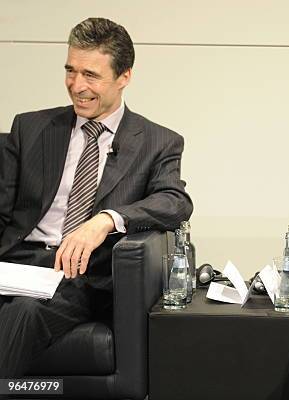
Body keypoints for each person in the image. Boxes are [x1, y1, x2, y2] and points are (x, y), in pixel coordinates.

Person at [0, 17, 193, 378]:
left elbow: (175, 201)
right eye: (71, 71)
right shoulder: (30, 128)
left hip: (78, 276)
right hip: (15, 264)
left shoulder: (157, 142)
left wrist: (105, 220)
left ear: (124, 77)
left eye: (91, 75)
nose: (76, 85)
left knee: (24, 312)